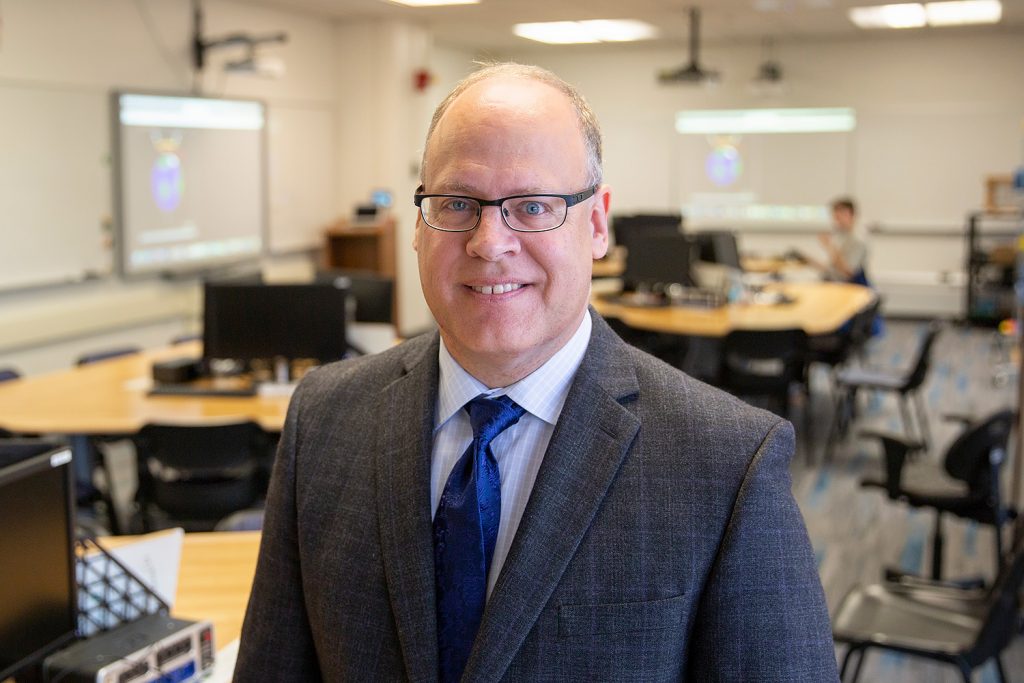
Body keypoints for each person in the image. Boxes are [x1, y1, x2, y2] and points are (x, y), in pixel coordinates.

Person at [235, 63, 838, 681]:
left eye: (533, 206)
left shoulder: (727, 462)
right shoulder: (324, 418)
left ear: (597, 224)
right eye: (457, 204)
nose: (489, 242)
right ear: (418, 226)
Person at [814, 197, 868, 284]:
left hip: (852, 286)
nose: (836, 219)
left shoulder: (858, 239)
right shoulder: (841, 236)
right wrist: (809, 262)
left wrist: (829, 246)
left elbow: (848, 272)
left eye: (840, 214)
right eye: (835, 215)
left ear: (851, 215)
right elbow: (833, 268)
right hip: (835, 282)